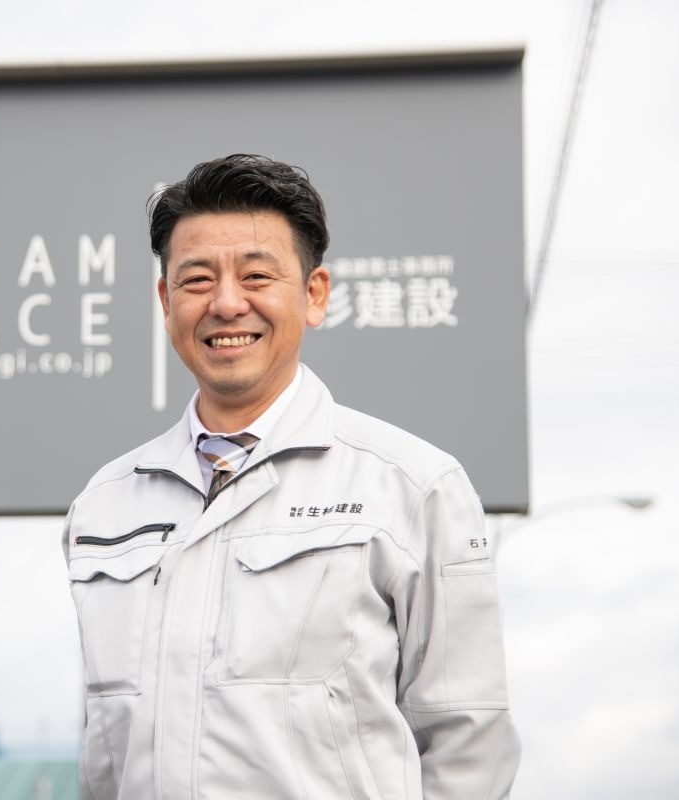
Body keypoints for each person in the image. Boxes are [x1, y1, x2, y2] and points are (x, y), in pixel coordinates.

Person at [63, 154, 520, 799]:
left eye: (256, 275)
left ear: (314, 295)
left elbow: (470, 744)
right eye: (197, 280)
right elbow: (104, 753)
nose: (226, 303)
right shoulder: (105, 506)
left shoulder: (414, 488)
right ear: (166, 302)